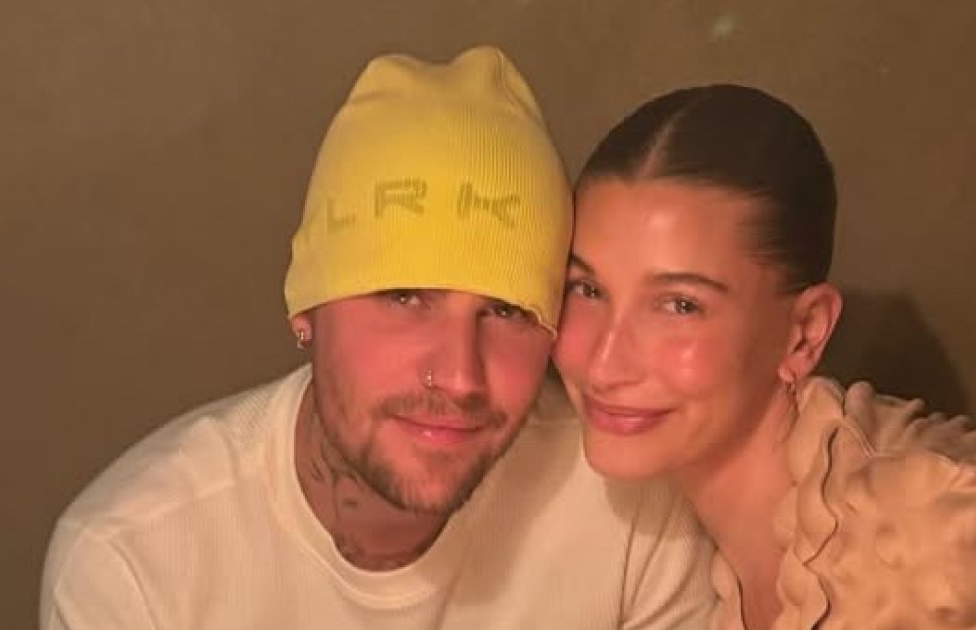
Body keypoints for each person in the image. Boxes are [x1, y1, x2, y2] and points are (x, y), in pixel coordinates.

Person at [40, 47, 713, 629]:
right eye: (403, 297)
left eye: (507, 311)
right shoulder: (134, 563)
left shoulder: (629, 512)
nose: (459, 375)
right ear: (305, 308)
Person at [552, 84, 976, 629]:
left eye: (680, 305)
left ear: (805, 333)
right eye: (588, 289)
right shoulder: (703, 557)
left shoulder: (938, 525)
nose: (603, 363)